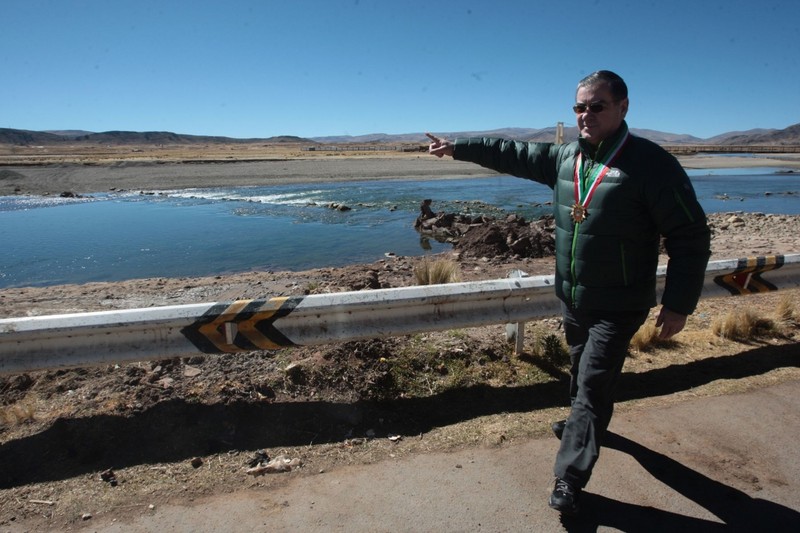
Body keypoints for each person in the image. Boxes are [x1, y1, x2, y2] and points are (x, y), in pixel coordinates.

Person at [426, 70, 711, 515]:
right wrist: (458, 148)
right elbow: (513, 152)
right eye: (579, 107)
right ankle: (586, 423)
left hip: (620, 303)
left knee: (593, 385)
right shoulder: (566, 159)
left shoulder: (653, 166)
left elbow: (690, 237)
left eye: (596, 106)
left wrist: (678, 304)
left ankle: (570, 476)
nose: (585, 115)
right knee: (583, 371)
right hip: (574, 295)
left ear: (623, 107)